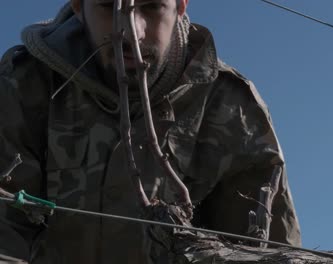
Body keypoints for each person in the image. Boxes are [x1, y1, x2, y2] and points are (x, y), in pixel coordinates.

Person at [0, 0, 301, 263]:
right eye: (108, 6)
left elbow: (264, 247)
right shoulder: (24, 83)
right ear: (79, 6)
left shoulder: (229, 104)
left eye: (152, 6)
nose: (132, 31)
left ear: (181, 5)